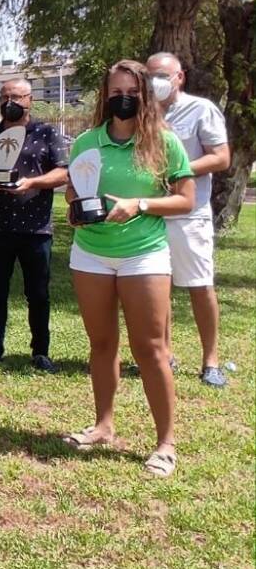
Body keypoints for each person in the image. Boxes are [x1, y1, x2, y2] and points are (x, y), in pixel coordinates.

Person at [63, 59, 194, 478]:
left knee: (151, 350)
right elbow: (72, 194)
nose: (123, 99)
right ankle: (103, 425)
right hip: (91, 254)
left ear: (145, 95)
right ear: (106, 96)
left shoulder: (164, 142)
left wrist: (139, 204)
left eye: (131, 92)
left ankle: (166, 443)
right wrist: (76, 211)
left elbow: (185, 199)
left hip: (144, 254)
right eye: (115, 92)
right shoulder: (86, 142)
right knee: (101, 344)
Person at [0, 78, 69, 372]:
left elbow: (62, 173)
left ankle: (41, 351)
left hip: (36, 229)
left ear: (29, 100)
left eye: (17, 96)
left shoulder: (46, 133)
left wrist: (32, 183)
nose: (10, 102)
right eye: (5, 96)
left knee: (38, 293)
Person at [146, 52, 232, 387]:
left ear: (179, 77)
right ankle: (163, 354)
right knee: (156, 287)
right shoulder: (144, 112)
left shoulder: (201, 109)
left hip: (189, 214)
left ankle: (210, 361)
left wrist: (179, 170)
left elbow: (221, 157)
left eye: (163, 75)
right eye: (151, 74)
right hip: (151, 212)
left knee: (199, 285)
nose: (156, 81)